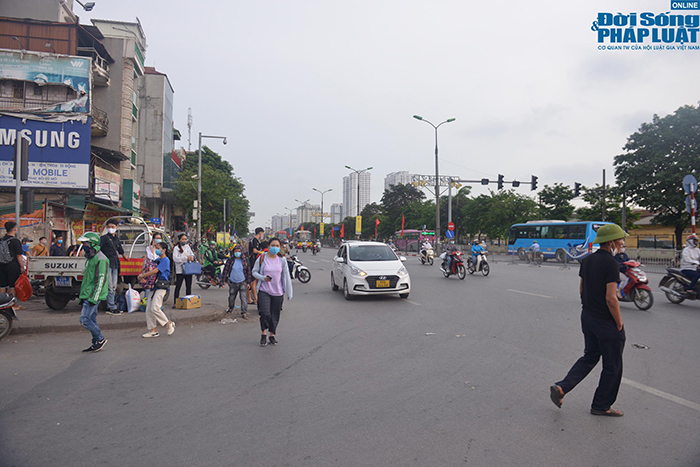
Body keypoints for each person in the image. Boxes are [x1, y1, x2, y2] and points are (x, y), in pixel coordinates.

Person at [550, 223, 627, 417]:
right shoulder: (611, 263)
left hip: (588, 317)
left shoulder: (587, 260)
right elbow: (611, 298)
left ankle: (562, 387)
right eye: (620, 239)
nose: (622, 242)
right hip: (605, 322)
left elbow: (582, 289)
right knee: (613, 366)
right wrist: (618, 322)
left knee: (590, 356)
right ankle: (601, 405)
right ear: (611, 242)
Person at [251, 237, 293, 347]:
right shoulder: (262, 258)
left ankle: (272, 335)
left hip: (278, 292)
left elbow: (286, 276)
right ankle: (263, 333)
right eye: (273, 245)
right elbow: (254, 272)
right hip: (264, 290)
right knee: (265, 313)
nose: (275, 248)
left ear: (280, 247)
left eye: (277, 246)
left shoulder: (282, 260)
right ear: (268, 246)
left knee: (275, 315)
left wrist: (289, 292)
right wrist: (263, 278)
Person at [76, 232, 108, 353]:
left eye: (85, 243)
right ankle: (96, 343)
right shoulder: (91, 258)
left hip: (92, 295)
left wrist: (94, 297)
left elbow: (100, 280)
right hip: (88, 294)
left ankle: (100, 338)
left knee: (84, 320)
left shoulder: (101, 259)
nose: (83, 246)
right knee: (92, 319)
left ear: (92, 244)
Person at [138, 244, 175, 338]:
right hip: (154, 286)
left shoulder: (165, 260)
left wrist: (143, 276)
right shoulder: (157, 260)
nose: (156, 250)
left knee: (155, 307)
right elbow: (150, 269)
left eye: (158, 248)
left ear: (164, 250)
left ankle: (168, 323)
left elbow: (155, 271)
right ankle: (153, 329)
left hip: (161, 286)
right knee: (149, 309)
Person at [100, 220, 129, 315]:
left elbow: (120, 249)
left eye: (112, 227)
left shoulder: (116, 239)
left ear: (117, 228)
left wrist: (125, 256)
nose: (110, 229)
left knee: (113, 286)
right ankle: (111, 306)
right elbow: (98, 249)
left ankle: (111, 305)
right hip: (107, 264)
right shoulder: (104, 238)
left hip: (115, 264)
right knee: (110, 286)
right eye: (109, 227)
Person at [0, 222, 26, 309]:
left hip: (1, 265)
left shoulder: (1, 240)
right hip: (12, 265)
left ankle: (2, 304)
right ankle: (12, 305)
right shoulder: (15, 241)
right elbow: (19, 256)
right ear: (15, 229)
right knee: (12, 285)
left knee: (2, 285)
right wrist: (22, 266)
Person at [222, 244, 252, 319]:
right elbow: (225, 270)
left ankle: (244, 312)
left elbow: (248, 272)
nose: (237, 252)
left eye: (239, 251)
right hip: (232, 282)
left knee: (243, 298)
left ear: (242, 252)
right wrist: (222, 281)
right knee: (231, 297)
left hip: (243, 282)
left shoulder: (245, 260)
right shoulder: (230, 260)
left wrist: (249, 283)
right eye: (236, 251)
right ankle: (231, 308)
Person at [172, 233, 195, 308]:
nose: (184, 241)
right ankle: (175, 302)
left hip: (188, 269)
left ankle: (188, 302)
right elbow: (175, 259)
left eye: (185, 239)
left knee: (188, 286)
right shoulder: (176, 248)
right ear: (179, 240)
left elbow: (192, 254)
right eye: (183, 239)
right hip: (180, 270)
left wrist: (191, 257)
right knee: (178, 286)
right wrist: (185, 258)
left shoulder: (187, 247)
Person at [248, 227, 265, 305]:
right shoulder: (254, 240)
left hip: (253, 261)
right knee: (252, 281)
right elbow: (254, 251)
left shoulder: (256, 240)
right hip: (252, 262)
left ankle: (252, 298)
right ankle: (254, 299)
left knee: (253, 281)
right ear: (260, 233)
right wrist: (261, 252)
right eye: (262, 233)